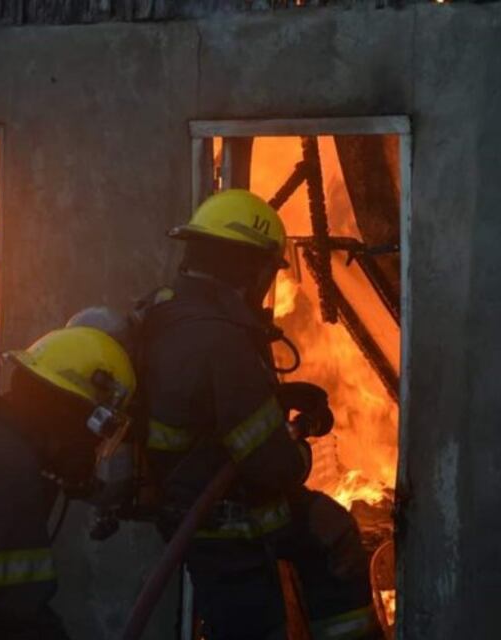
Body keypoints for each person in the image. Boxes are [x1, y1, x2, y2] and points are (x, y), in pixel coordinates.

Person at [137, 189, 378, 639]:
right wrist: (301, 447)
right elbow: (274, 468)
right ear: (250, 269)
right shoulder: (221, 340)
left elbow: (207, 410)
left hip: (189, 507)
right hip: (226, 525)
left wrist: (278, 399)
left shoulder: (166, 311)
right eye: (269, 271)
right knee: (329, 531)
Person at [0, 326, 136, 639]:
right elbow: (16, 614)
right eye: (97, 433)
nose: (93, 448)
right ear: (71, 418)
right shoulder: (7, 467)